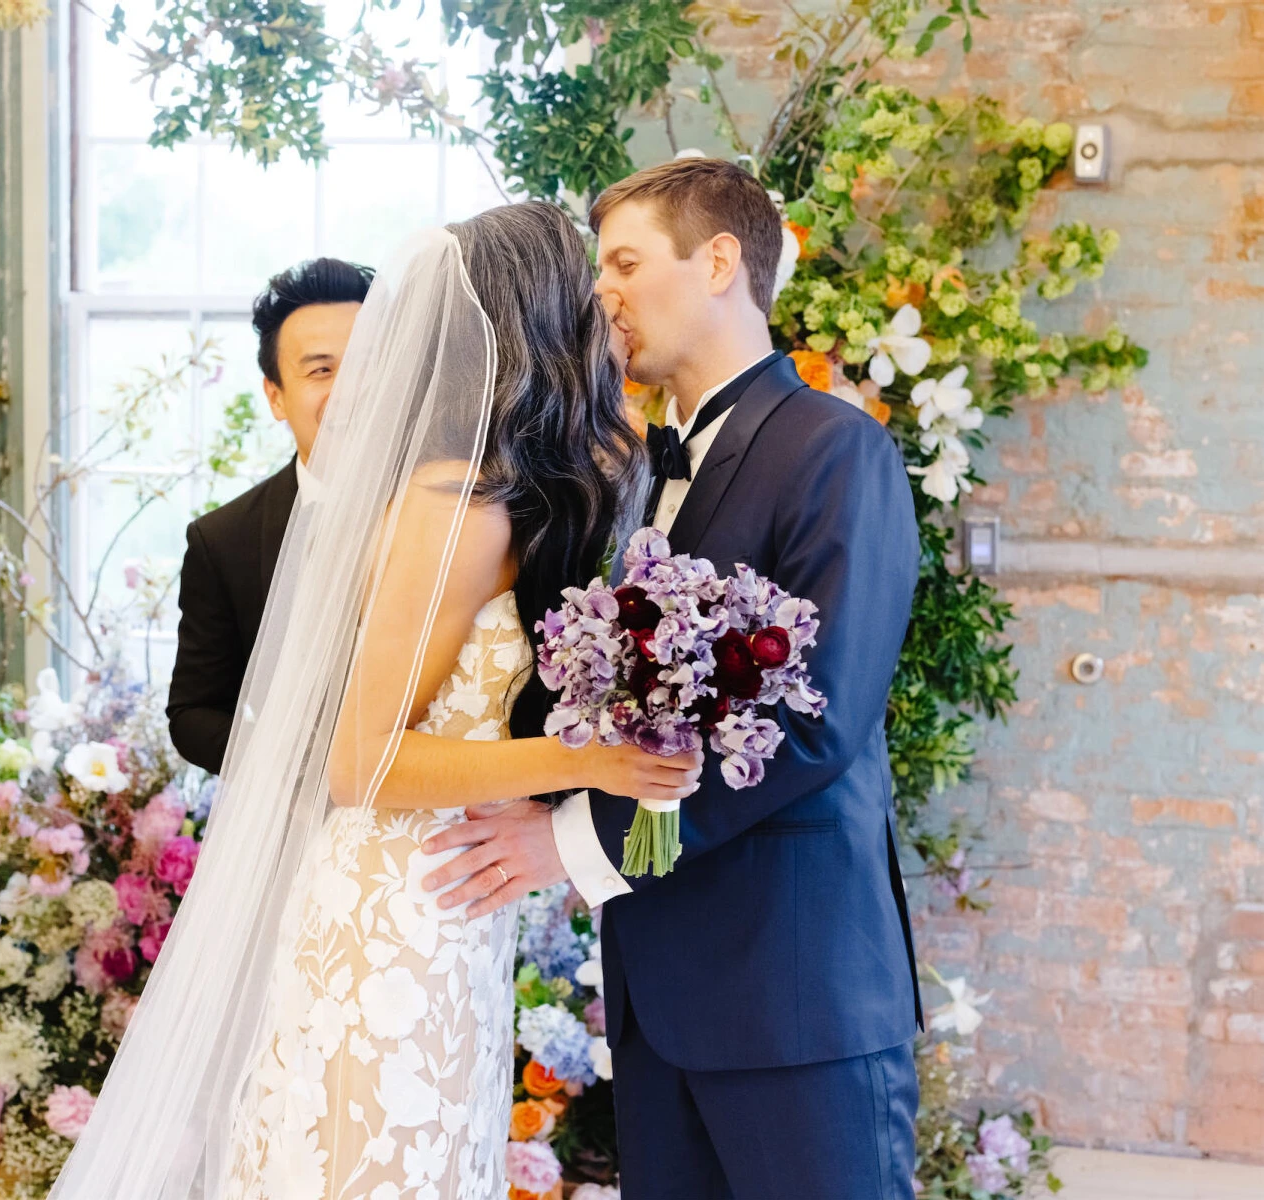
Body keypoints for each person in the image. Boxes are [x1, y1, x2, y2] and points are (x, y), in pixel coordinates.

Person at [50, 204, 701, 1199]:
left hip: (453, 904)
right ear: (537, 314)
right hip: (385, 911)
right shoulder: (449, 506)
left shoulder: (541, 483)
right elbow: (360, 761)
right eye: (584, 282)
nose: (603, 300)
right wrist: (584, 764)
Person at [421, 157, 925, 1199]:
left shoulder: (833, 451)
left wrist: (561, 842)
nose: (600, 291)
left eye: (624, 261)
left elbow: (812, 726)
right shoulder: (631, 473)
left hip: (794, 997)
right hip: (657, 997)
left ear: (719, 263)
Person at [167, 257, 373, 775]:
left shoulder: (467, 510)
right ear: (276, 396)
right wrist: (297, 769)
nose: (348, 390)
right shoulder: (223, 539)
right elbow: (194, 712)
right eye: (321, 370)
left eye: (369, 365)